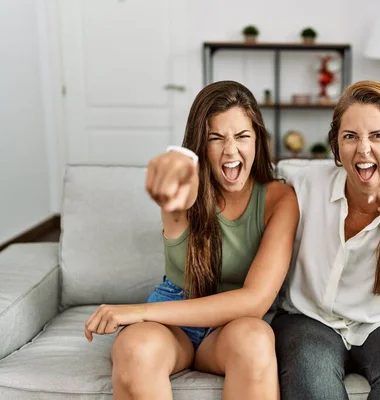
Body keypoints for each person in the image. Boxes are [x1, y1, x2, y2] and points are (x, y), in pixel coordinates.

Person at [83, 81, 299, 400]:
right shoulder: (188, 187)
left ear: (258, 141)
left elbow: (254, 301)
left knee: (255, 340)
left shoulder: (280, 200)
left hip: (233, 324)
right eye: (216, 138)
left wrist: (138, 312)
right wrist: (171, 184)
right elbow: (174, 193)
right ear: (201, 144)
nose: (230, 151)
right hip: (173, 317)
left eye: (242, 136)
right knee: (135, 348)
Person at [272, 80, 380, 400]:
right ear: (336, 146)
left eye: (377, 135)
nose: (363, 149)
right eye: (350, 136)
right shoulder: (306, 185)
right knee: (310, 378)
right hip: (309, 317)